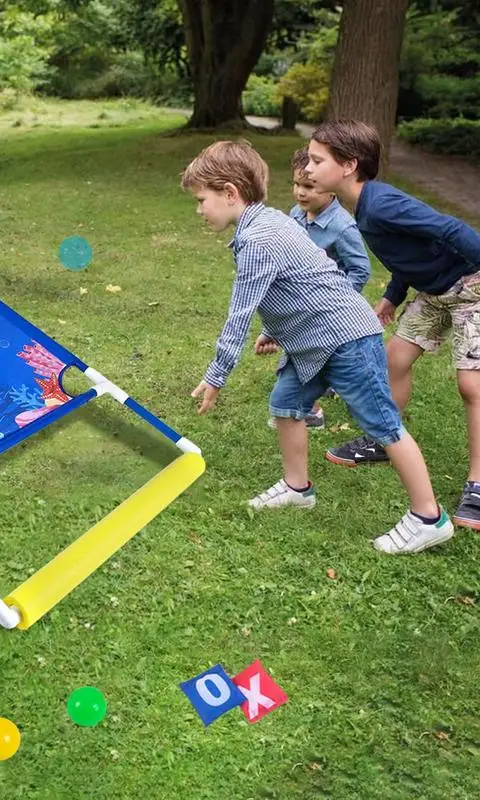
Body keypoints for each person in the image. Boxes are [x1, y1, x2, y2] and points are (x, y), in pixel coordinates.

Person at [183, 139, 453, 554]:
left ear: (230, 193)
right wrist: (276, 329)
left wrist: (216, 375)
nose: (199, 210)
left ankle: (428, 517)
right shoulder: (270, 220)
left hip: (345, 338)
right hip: (313, 341)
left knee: (383, 424)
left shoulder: (258, 239)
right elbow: (304, 280)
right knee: (287, 404)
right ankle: (298, 487)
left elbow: (239, 312)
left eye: (202, 200)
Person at [306, 119, 480, 531]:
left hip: (471, 286)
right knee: (394, 360)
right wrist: (392, 296)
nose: (308, 169)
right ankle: (385, 440)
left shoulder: (381, 203)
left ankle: (478, 483)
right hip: (433, 292)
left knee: (472, 384)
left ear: (348, 165)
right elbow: (411, 252)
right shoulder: (364, 207)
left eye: (317, 160)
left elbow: (451, 229)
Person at [273, 147, 371, 430]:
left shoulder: (342, 227)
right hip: (301, 303)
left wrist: (336, 299)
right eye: (296, 184)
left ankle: (311, 412)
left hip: (329, 310)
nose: (301, 193)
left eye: (309, 186)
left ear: (331, 189)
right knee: (315, 354)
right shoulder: (297, 214)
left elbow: (361, 269)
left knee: (305, 355)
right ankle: (328, 384)